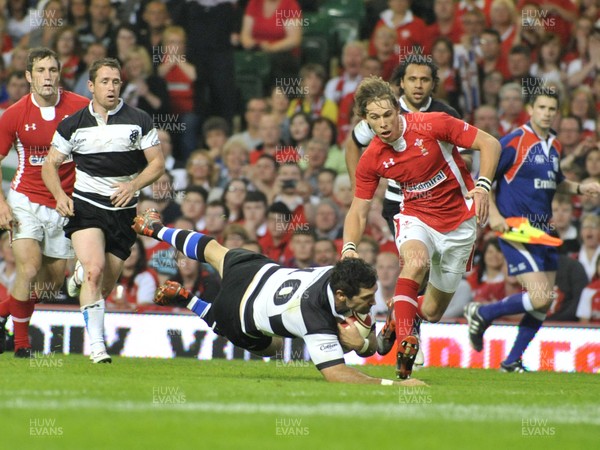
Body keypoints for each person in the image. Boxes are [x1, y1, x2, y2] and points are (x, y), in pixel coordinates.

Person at [131, 208, 424, 386]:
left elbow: (368, 346)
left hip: (259, 271)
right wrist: (395, 385)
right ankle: (188, 300)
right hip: (238, 310)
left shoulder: (343, 276)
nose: (372, 301)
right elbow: (338, 375)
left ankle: (154, 228)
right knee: (272, 347)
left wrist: (386, 337)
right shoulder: (315, 316)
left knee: (213, 250)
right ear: (341, 296)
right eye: (367, 298)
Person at [343, 76, 500, 379]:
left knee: (431, 312)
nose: (384, 123)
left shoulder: (433, 123)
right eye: (375, 118)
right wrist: (349, 246)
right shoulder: (372, 158)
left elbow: (489, 143)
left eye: (388, 114)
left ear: (397, 109)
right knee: (415, 263)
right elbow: (358, 209)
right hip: (416, 217)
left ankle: (396, 314)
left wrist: (483, 185)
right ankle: (406, 344)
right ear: (366, 121)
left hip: (459, 223)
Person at [464, 88, 600, 372]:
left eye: (552, 109)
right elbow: (484, 178)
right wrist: (496, 215)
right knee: (539, 296)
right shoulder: (515, 141)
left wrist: (579, 188)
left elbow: (556, 180)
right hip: (515, 228)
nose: (547, 113)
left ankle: (511, 360)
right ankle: (482, 312)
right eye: (542, 107)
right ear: (531, 108)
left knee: (542, 303)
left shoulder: (555, 145)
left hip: (542, 231)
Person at [41, 57, 165, 363]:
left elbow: (157, 164)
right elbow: (50, 165)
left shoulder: (139, 120)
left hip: (124, 210)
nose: (111, 87)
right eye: (105, 81)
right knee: (95, 271)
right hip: (87, 204)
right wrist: (59, 195)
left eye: (116, 81)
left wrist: (133, 186)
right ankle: (97, 345)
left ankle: (79, 275)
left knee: (104, 285)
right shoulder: (72, 124)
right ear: (91, 86)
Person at [0, 48, 89, 357]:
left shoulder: (81, 109)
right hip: (25, 198)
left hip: (64, 204)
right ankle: (21, 345)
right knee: (29, 267)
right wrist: (1, 204)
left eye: (53, 70)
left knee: (49, 285)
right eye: (41, 70)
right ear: (28, 76)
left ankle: (2, 313)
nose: (47, 76)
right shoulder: (13, 114)